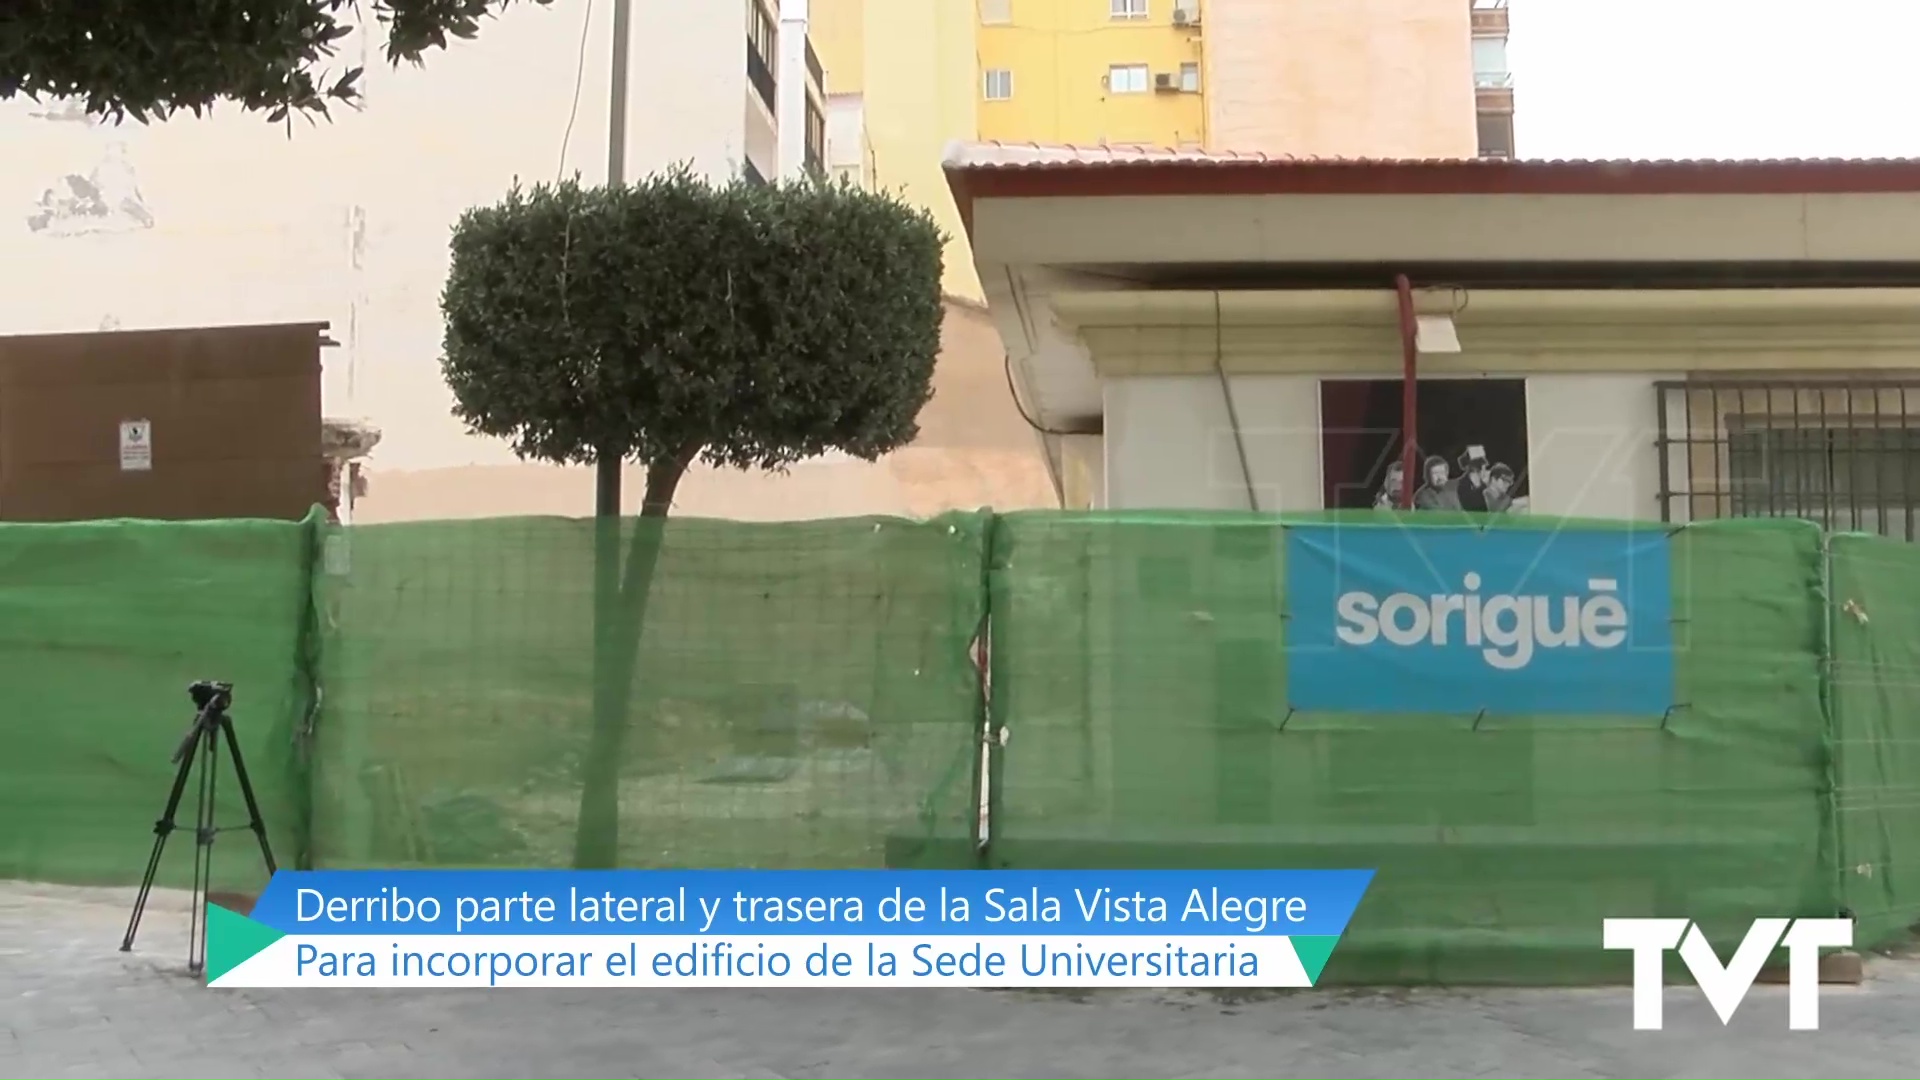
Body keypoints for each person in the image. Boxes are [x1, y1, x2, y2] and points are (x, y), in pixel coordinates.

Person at [1455, 446, 1493, 512]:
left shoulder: (1485, 484)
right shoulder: (1462, 486)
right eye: (1484, 467)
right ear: (1475, 469)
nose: (1486, 470)